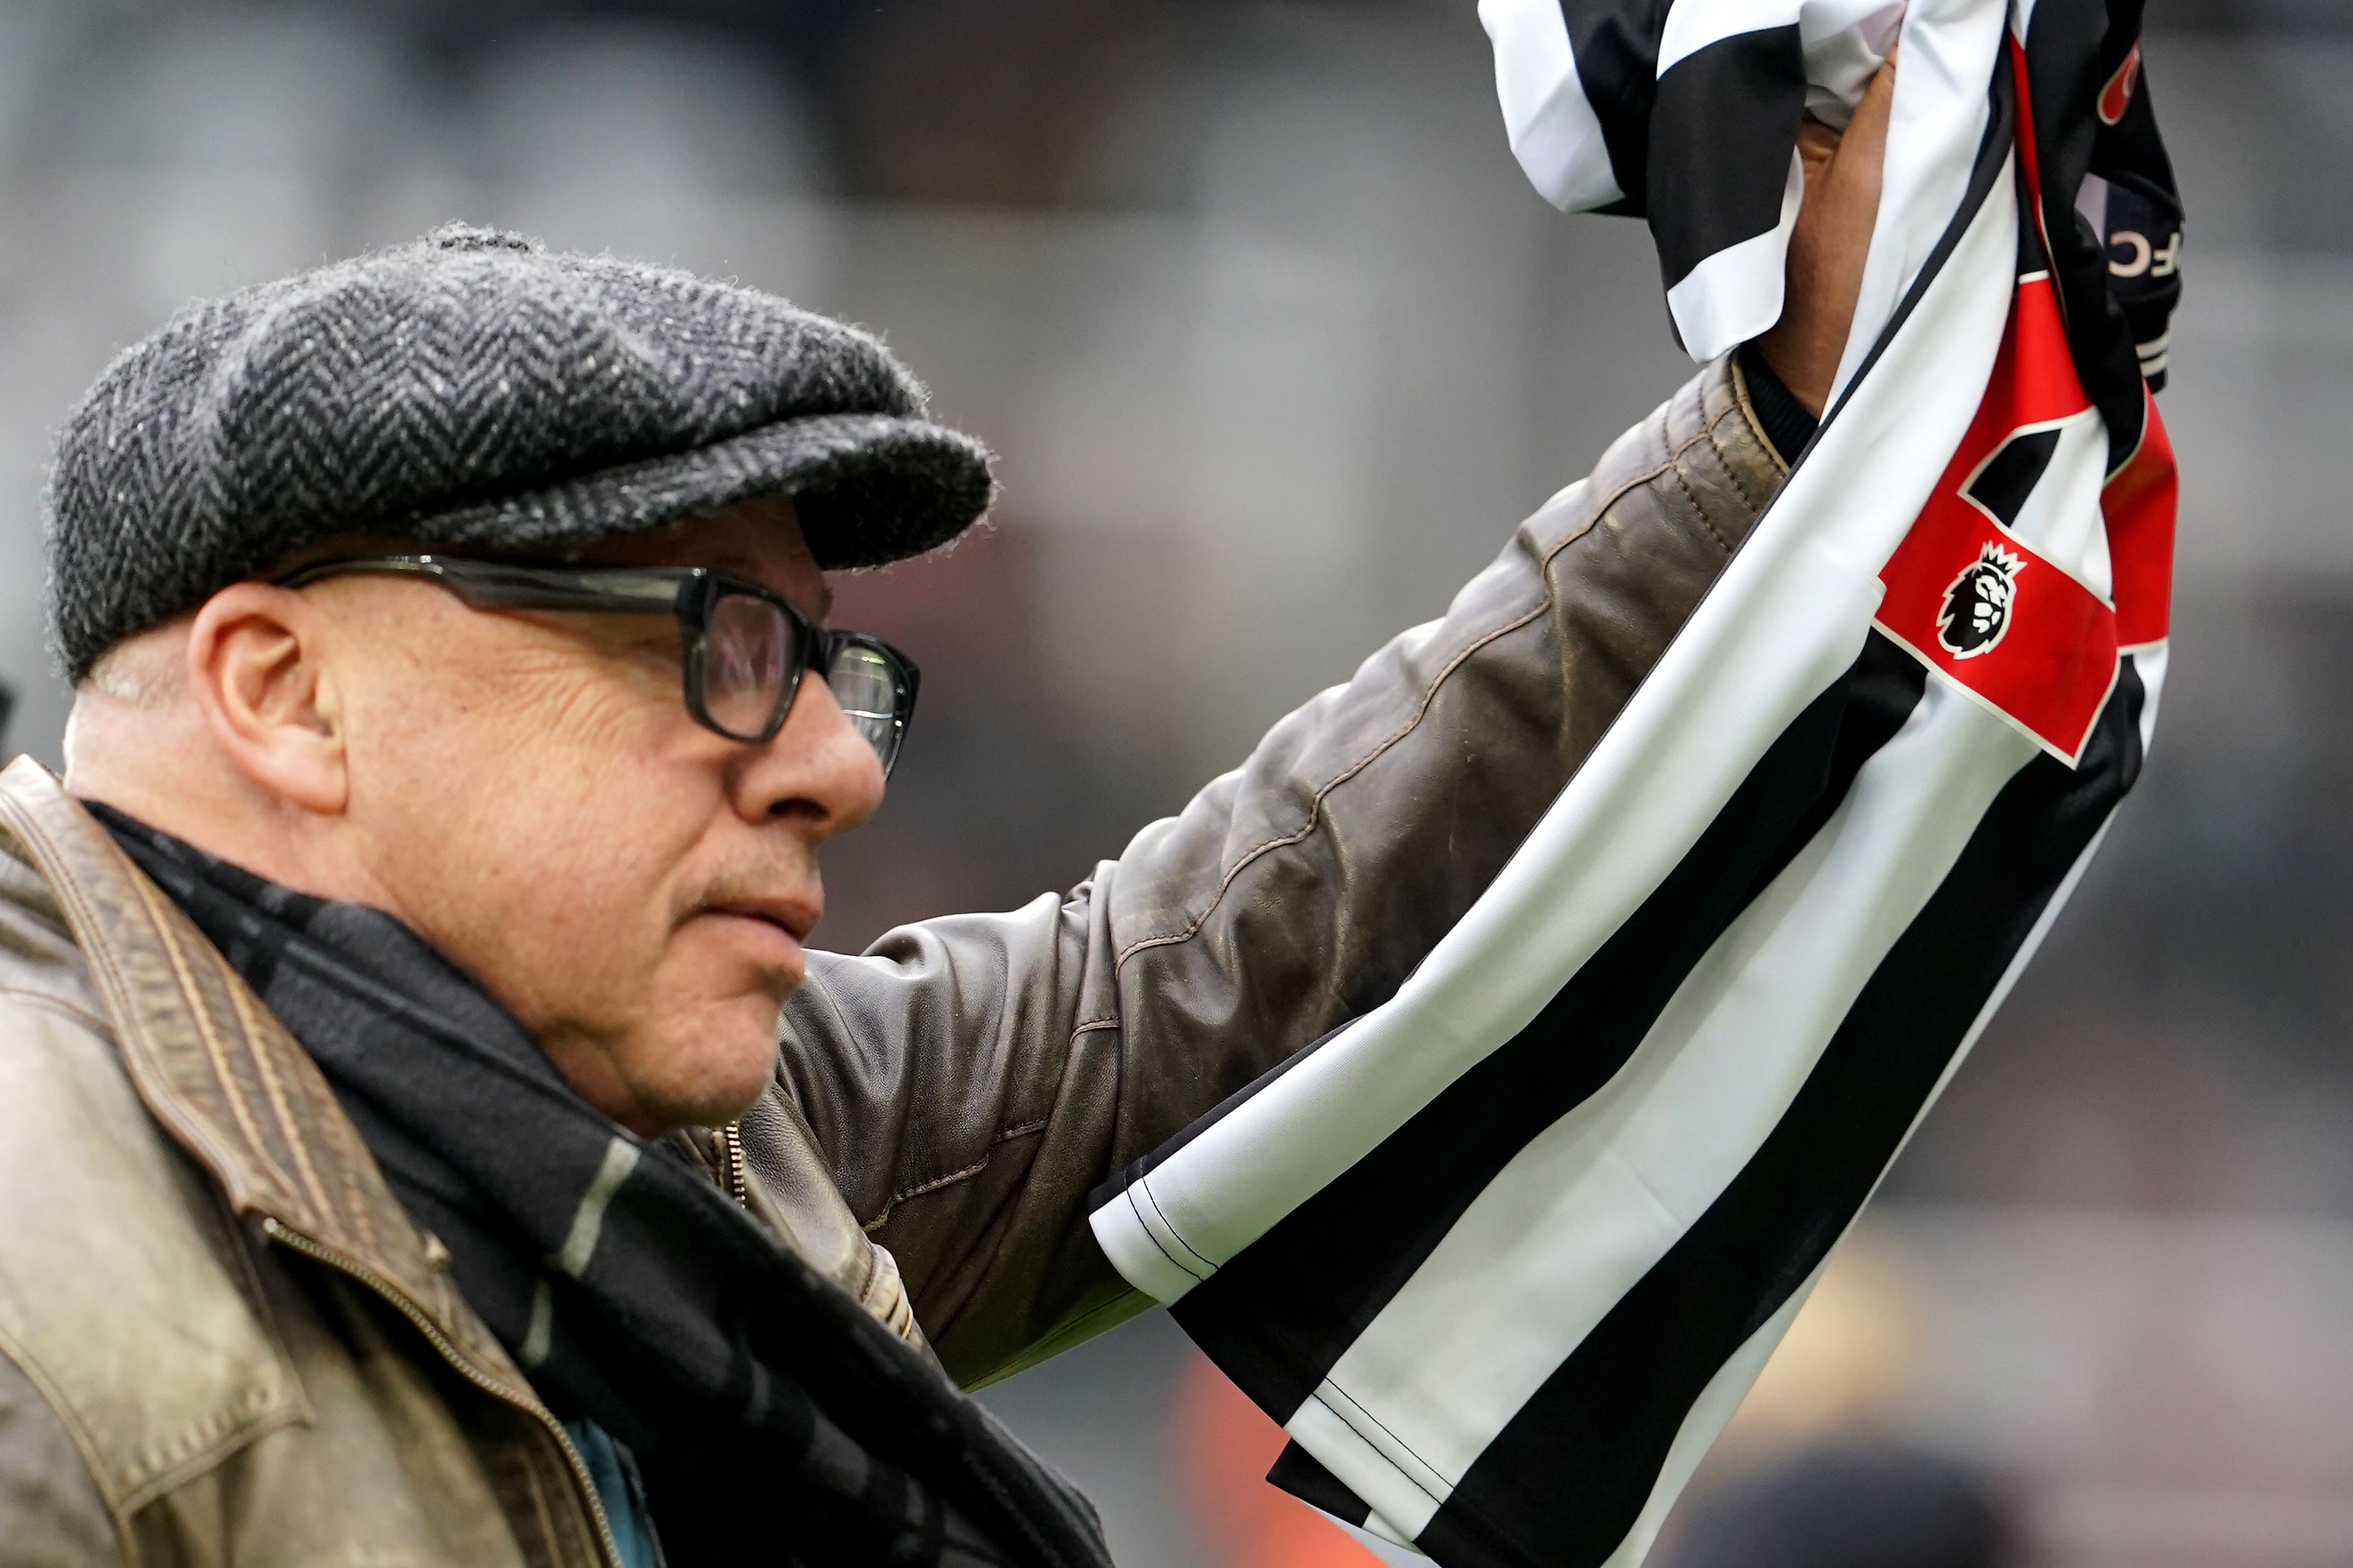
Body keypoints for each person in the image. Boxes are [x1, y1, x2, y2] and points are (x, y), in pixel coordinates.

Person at [0, 63, 1893, 1568]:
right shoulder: (41, 1292)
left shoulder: (657, 1134)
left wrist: (1784, 425)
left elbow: (1207, 976)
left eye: (827, 658)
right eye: (718, 639)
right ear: (283, 693)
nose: (837, 760)